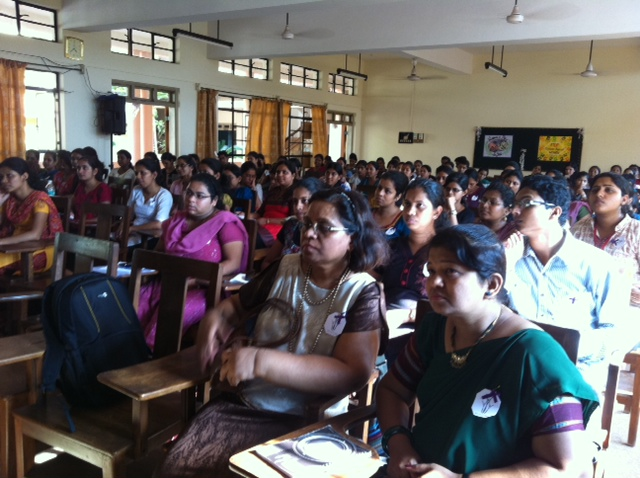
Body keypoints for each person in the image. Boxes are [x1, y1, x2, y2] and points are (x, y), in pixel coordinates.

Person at [158, 189, 389, 478]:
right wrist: (214, 319)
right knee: (181, 467)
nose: (310, 234)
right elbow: (234, 308)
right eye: (307, 225)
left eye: (325, 228)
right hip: (247, 403)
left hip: (308, 419)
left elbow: (353, 372)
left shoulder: (362, 292)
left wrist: (259, 362)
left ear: (353, 239)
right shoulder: (286, 267)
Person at [376, 224, 599, 478]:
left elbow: (566, 468)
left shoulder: (534, 355)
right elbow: (393, 390)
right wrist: (399, 445)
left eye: (450, 271)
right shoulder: (436, 327)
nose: (433, 282)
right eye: (432, 270)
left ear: (492, 284)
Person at [503, 175, 634, 386]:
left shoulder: (597, 264)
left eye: (526, 203)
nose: (516, 211)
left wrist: (569, 344)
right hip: (518, 370)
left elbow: (615, 333)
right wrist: (506, 268)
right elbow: (490, 315)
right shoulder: (511, 258)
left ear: (555, 212)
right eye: (515, 204)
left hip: (574, 375)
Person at [137, 173, 249, 348]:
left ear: (214, 201)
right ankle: (127, 354)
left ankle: (152, 358)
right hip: (169, 281)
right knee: (136, 303)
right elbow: (159, 253)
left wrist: (197, 280)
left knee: (172, 309)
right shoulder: (176, 221)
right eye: (189, 193)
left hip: (204, 288)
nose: (191, 199)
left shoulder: (224, 224)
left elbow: (233, 263)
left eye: (200, 196)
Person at [571, 173, 640, 307]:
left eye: (608, 190)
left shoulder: (636, 231)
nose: (599, 194)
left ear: (624, 199)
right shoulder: (579, 229)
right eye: (595, 190)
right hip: (582, 306)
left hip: (627, 307)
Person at [0, 157, 63, 275]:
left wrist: (2, 242)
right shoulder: (10, 199)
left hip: (37, 250)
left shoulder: (39, 199)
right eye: (1, 177)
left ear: (24, 176)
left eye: (10, 176)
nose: (4, 181)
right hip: (14, 246)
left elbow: (35, 234)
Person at [261, 177, 325, 270]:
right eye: (295, 201)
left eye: (304, 201)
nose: (298, 207)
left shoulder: (325, 233)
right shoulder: (291, 225)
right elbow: (268, 261)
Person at [126, 157, 173, 247]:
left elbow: (159, 224)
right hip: (134, 231)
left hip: (151, 236)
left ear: (154, 175)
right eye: (137, 173)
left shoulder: (164, 195)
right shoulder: (136, 190)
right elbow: (128, 213)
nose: (138, 177)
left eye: (143, 173)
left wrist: (133, 228)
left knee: (122, 247)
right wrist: (123, 228)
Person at [254, 159, 297, 248]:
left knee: (253, 238)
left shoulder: (295, 194)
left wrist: (267, 221)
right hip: (262, 225)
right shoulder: (273, 192)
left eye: (285, 172)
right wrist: (244, 217)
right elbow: (260, 213)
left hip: (279, 230)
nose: (280, 175)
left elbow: (293, 220)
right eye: (278, 172)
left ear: (293, 175)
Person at [72, 154, 112, 221]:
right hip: (77, 225)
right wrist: (71, 213)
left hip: (94, 228)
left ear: (94, 171)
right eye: (78, 168)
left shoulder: (103, 189)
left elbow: (104, 216)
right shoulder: (80, 187)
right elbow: (72, 206)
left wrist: (82, 222)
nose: (80, 171)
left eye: (85, 168)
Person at [372, 171, 409, 240]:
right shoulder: (368, 213)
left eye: (387, 191)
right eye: (379, 188)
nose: (380, 193)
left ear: (398, 196)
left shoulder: (403, 221)